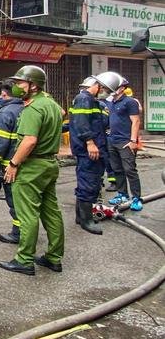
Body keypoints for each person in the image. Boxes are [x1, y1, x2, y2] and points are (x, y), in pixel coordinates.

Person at [0, 65, 64, 276]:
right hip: (49, 164)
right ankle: (54, 257)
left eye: (20, 83)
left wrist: (14, 164)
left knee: (27, 214)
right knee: (51, 212)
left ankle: (24, 259)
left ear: (33, 86)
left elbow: (29, 140)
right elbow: (62, 113)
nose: (16, 87)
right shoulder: (50, 104)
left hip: (32, 166)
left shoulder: (33, 108)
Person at [68, 75, 117, 235]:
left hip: (96, 149)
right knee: (88, 183)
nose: (105, 93)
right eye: (104, 89)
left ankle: (81, 217)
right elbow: (81, 123)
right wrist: (89, 142)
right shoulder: (83, 98)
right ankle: (86, 220)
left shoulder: (94, 102)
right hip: (88, 151)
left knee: (91, 182)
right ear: (96, 85)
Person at [0, 82, 24, 243]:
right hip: (24, 162)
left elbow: (0, 142)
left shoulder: (6, 112)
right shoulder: (27, 108)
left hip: (9, 164)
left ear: (4, 94)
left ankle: (18, 233)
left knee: (14, 200)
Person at [101, 73, 144, 211]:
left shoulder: (129, 102)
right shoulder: (110, 102)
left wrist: (132, 141)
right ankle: (122, 194)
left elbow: (136, 121)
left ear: (122, 88)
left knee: (130, 170)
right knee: (117, 169)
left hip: (125, 142)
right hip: (112, 141)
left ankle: (136, 198)